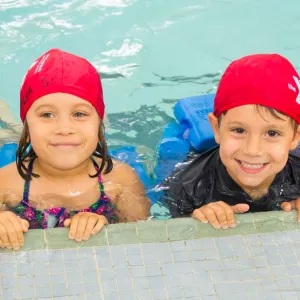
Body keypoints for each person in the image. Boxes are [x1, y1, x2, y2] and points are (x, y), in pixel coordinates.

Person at [0, 49, 151, 250]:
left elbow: (146, 240)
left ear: (99, 126)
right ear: (27, 129)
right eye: (46, 115)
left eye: (79, 114)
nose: (64, 129)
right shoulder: (7, 182)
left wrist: (104, 227)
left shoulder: (120, 180)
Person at [164, 54, 300, 230]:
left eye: (272, 133)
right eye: (239, 130)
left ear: (295, 137)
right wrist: (196, 217)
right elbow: (169, 235)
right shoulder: (188, 186)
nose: (253, 150)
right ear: (216, 129)